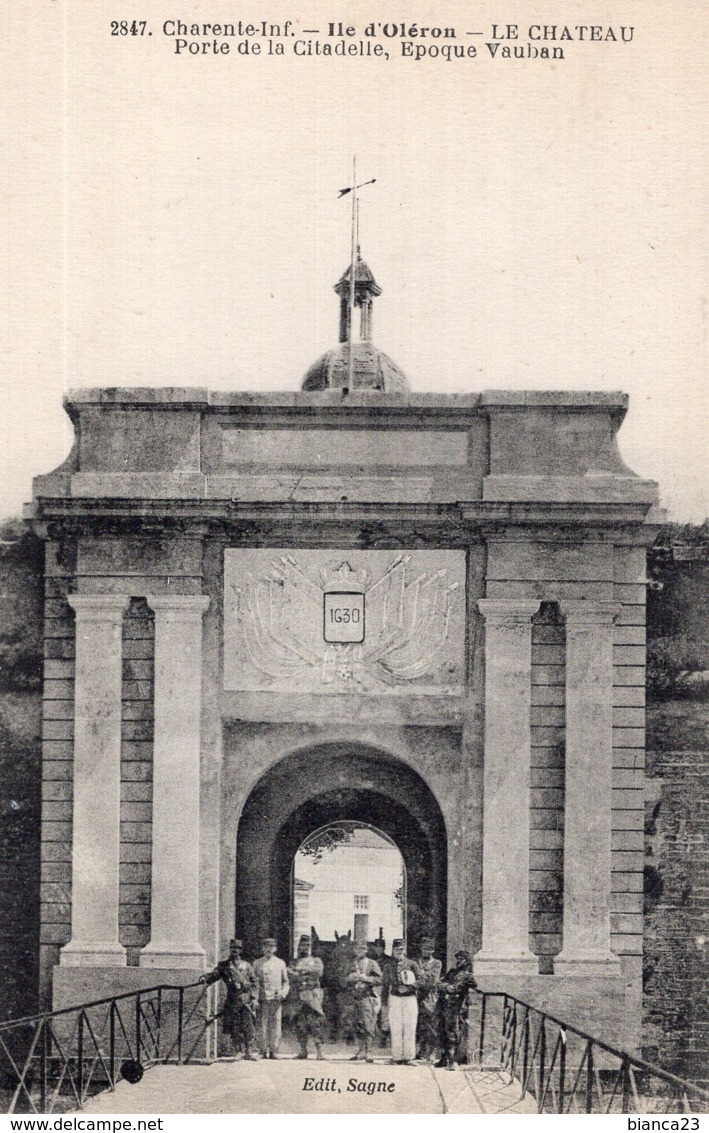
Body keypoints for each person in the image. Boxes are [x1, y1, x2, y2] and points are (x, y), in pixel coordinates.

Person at [198, 938, 258, 1059]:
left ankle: (249, 1051)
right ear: (230, 949)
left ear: (241, 950)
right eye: (232, 948)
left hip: (245, 999)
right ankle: (238, 1051)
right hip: (232, 999)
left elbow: (255, 982)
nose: (235, 950)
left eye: (237, 948)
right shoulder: (224, 965)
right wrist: (205, 978)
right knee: (235, 1026)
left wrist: (254, 998)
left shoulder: (247, 966)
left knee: (248, 1025)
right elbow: (214, 975)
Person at [382, 938, 422, 1065]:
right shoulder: (388, 966)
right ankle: (396, 1057)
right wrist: (384, 1003)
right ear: (392, 950)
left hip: (409, 999)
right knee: (396, 1027)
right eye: (396, 949)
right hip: (394, 998)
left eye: (401, 949)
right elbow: (385, 985)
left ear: (404, 950)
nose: (399, 952)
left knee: (409, 1026)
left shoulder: (412, 964)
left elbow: (422, 980)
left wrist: (410, 987)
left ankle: (409, 1057)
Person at [436, 949, 478, 1070]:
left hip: (456, 1006)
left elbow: (470, 987)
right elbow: (439, 983)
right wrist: (447, 987)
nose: (459, 961)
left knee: (452, 1032)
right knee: (441, 1030)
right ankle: (444, 1058)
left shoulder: (468, 976)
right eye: (458, 959)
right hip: (444, 1004)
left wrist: (454, 988)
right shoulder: (452, 972)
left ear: (467, 961)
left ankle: (452, 1060)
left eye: (462, 959)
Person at [288, 934, 325, 1060]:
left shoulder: (316, 960)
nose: (304, 948)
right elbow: (289, 973)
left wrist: (301, 969)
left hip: (312, 995)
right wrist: (301, 971)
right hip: (298, 996)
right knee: (299, 1024)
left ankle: (320, 1051)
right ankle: (303, 1050)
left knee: (315, 1024)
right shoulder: (294, 961)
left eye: (307, 945)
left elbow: (318, 972)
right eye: (302, 945)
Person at [345, 942, 382, 1062]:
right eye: (357, 948)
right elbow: (342, 979)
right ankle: (360, 1051)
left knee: (368, 1024)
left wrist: (366, 979)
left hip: (366, 996)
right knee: (355, 1024)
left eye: (362, 949)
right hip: (352, 997)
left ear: (366, 950)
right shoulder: (351, 963)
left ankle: (369, 1051)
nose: (359, 951)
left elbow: (380, 979)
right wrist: (350, 978)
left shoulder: (372, 963)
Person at [253, 936, 290, 1059]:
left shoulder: (280, 963)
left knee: (275, 1025)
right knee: (262, 1025)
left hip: (276, 999)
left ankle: (274, 1050)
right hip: (262, 998)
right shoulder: (257, 963)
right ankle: (262, 1051)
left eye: (271, 947)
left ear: (275, 949)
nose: (269, 949)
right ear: (263, 948)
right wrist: (254, 998)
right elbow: (254, 982)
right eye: (266, 947)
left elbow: (286, 982)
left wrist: (283, 993)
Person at [416, 937, 442, 1062]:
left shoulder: (436, 963)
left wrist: (419, 977)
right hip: (416, 996)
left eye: (429, 949)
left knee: (431, 1025)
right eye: (424, 948)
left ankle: (432, 1052)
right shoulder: (416, 962)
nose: (426, 951)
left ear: (432, 950)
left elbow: (433, 980)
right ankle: (422, 1050)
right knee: (420, 1025)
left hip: (429, 997)